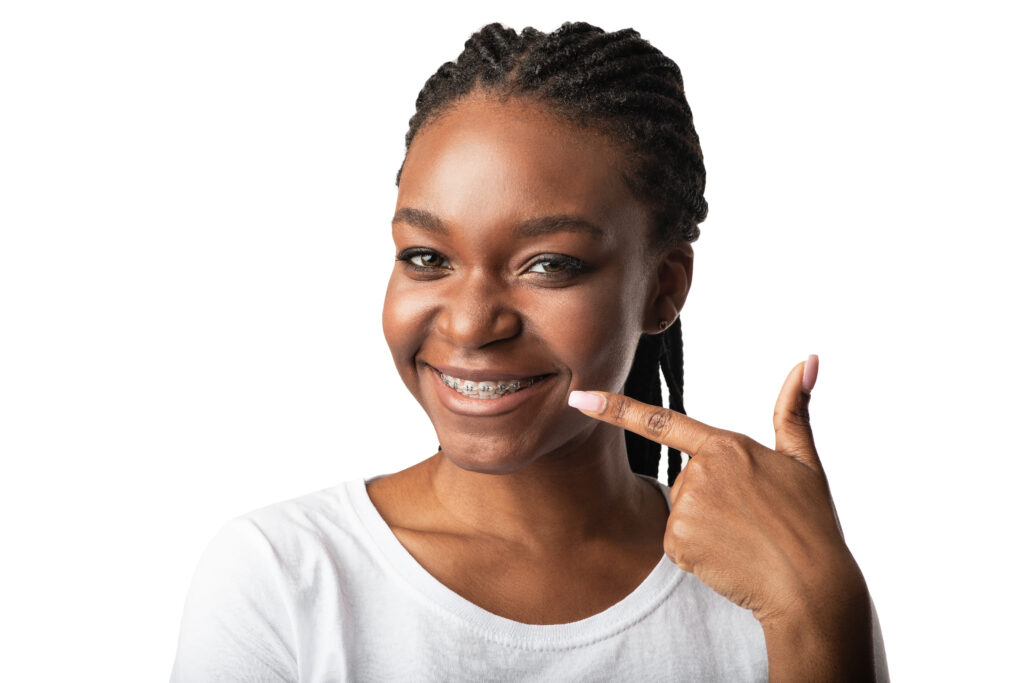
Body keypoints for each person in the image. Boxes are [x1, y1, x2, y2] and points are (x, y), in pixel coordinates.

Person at [170, 21, 889, 681]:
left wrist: (815, 608)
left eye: (549, 264)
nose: (472, 324)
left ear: (662, 287)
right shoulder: (285, 576)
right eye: (426, 256)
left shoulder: (772, 586)